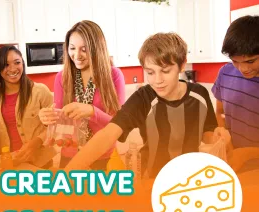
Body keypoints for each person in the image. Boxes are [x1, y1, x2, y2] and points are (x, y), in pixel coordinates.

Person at [64, 32, 225, 178]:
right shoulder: (143, 98)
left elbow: (207, 132)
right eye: (150, 72)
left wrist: (216, 135)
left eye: (166, 71)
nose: (157, 80)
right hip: (152, 178)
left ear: (182, 65)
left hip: (190, 176)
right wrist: (69, 171)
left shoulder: (200, 94)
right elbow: (108, 135)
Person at [39, 20, 125, 169]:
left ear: (97, 48)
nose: (76, 55)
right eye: (72, 48)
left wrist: (92, 112)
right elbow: (60, 121)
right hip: (70, 155)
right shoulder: (62, 77)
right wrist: (47, 118)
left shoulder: (114, 75)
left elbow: (120, 125)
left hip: (103, 155)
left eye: (84, 49)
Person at [0, 45, 56, 167]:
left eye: (17, 63)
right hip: (7, 163)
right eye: (6, 65)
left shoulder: (40, 91)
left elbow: (57, 125)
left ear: (23, 63)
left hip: (39, 162)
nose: (13, 69)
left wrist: (37, 142)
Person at [212, 15, 259, 150]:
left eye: (250, 61)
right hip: (233, 156)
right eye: (235, 61)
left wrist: (244, 156)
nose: (243, 69)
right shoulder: (225, 72)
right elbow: (220, 113)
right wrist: (225, 143)